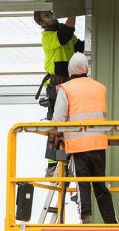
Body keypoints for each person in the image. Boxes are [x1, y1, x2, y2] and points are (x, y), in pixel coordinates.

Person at [53, 52, 118, 225]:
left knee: (83, 185)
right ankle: (111, 222)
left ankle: (86, 220)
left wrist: (55, 135)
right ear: (86, 68)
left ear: (70, 69)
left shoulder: (66, 89)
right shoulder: (99, 87)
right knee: (100, 184)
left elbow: (58, 119)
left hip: (77, 145)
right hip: (98, 143)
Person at [34, 11, 85, 176]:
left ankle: (66, 161)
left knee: (71, 122)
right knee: (56, 122)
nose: (50, 16)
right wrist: (74, 11)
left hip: (71, 81)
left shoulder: (64, 30)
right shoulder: (48, 36)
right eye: (46, 16)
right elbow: (65, 36)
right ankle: (52, 164)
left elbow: (79, 46)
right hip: (57, 83)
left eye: (50, 13)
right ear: (41, 23)